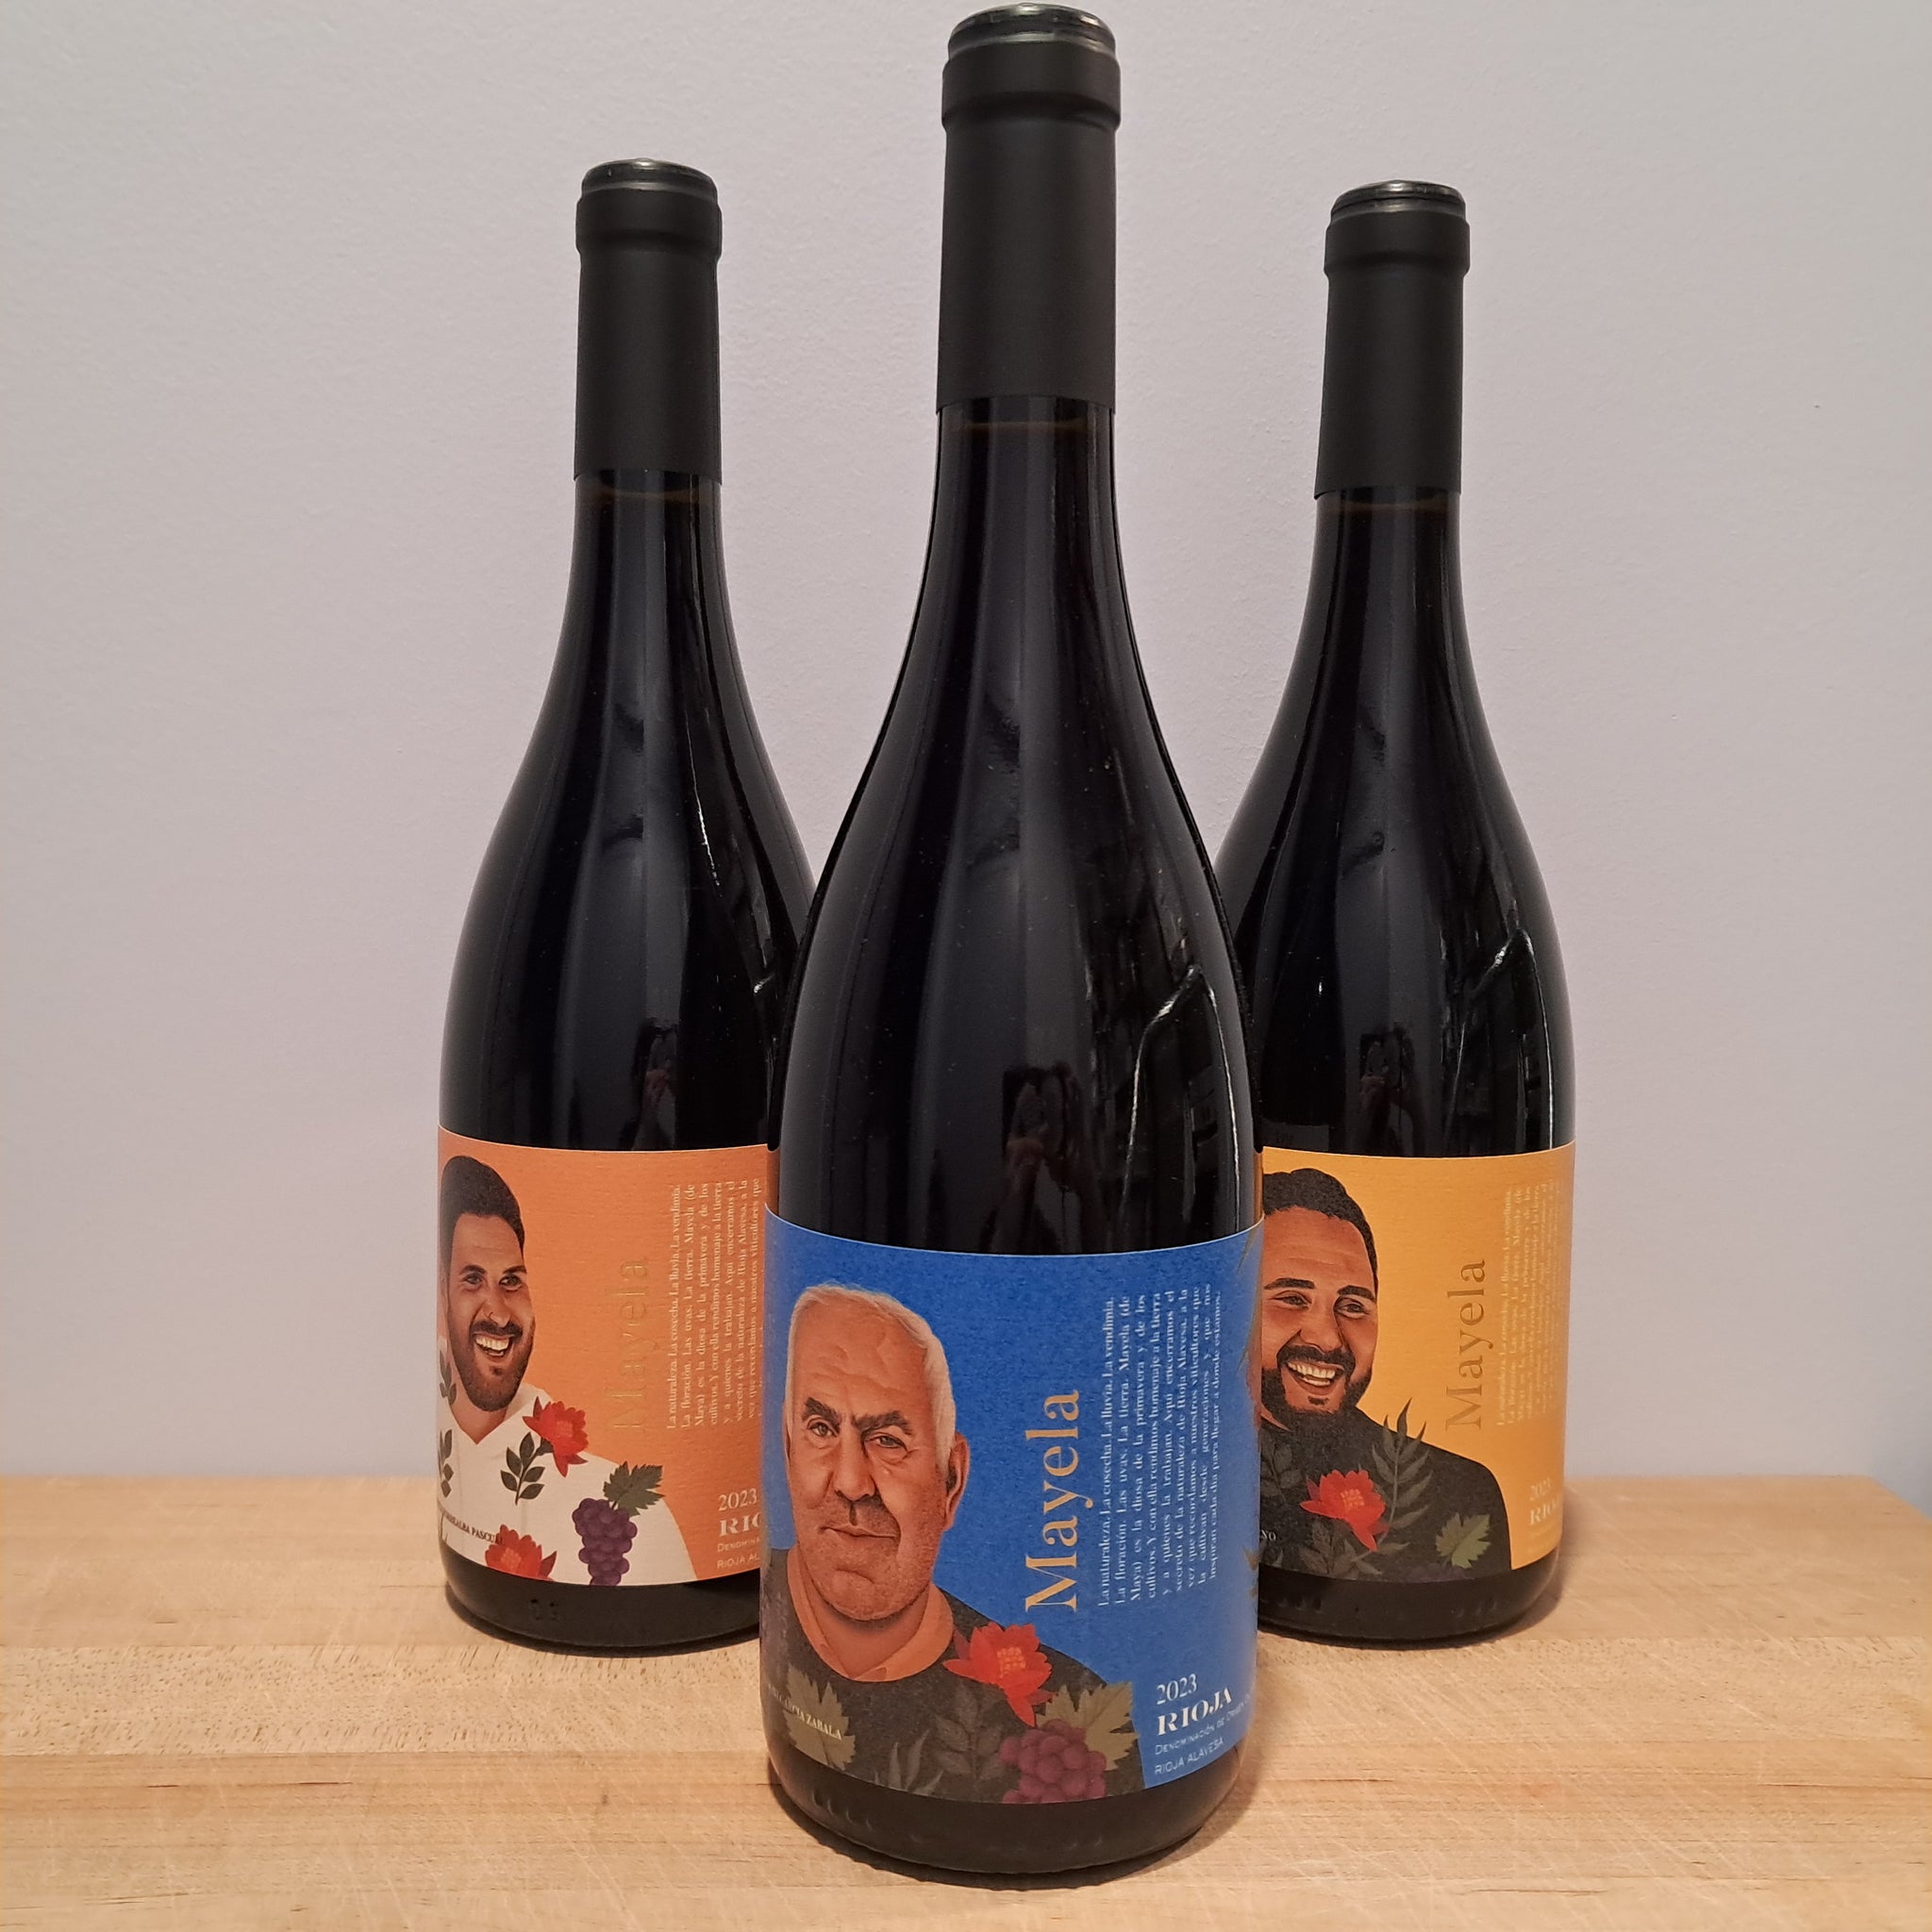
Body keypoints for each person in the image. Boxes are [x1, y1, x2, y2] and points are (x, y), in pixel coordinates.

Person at [763, 1284, 1141, 1801]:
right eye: (821, 1429)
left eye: (888, 1442)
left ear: (951, 1483)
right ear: (787, 1449)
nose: (851, 1482)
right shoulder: (773, 1612)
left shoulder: (1072, 1721)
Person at [436, 1155, 692, 1586]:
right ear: (442, 1291)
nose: (497, 1312)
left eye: (512, 1281)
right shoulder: (456, 1458)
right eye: (472, 1280)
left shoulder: (628, 1516)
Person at [1257, 1167, 1512, 1580]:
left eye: (1353, 1306)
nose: (1327, 1339)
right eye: (1292, 1298)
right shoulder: (1175, 1468)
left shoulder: (1460, 1493)